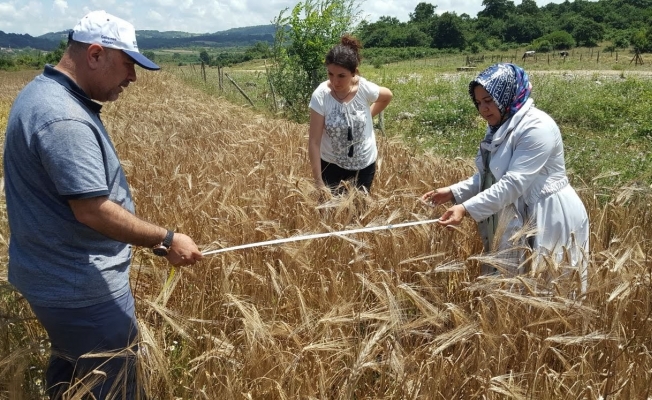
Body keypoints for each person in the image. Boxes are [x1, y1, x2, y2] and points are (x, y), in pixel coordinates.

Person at [3, 10, 203, 399]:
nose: (132, 77)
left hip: (57, 280)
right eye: (128, 64)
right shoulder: (63, 117)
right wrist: (166, 237)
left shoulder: (42, 93)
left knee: (73, 380)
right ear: (95, 55)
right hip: (81, 290)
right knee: (116, 388)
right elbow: (92, 209)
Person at [421, 63, 589, 291]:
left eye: (489, 100)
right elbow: (493, 176)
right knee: (517, 284)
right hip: (518, 211)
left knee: (550, 285)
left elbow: (514, 182)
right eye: (478, 103)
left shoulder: (537, 127)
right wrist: (454, 192)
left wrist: (465, 209)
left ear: (507, 94)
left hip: (547, 213)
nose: (483, 109)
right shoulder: (500, 125)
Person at [308, 35, 393, 193]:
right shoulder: (321, 96)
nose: (335, 82)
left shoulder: (364, 89)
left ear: (353, 73)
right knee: (331, 213)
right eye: (330, 74)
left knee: (358, 212)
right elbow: (314, 141)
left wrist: (369, 117)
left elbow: (387, 96)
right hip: (331, 166)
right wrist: (318, 181)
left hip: (364, 165)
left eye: (341, 76)